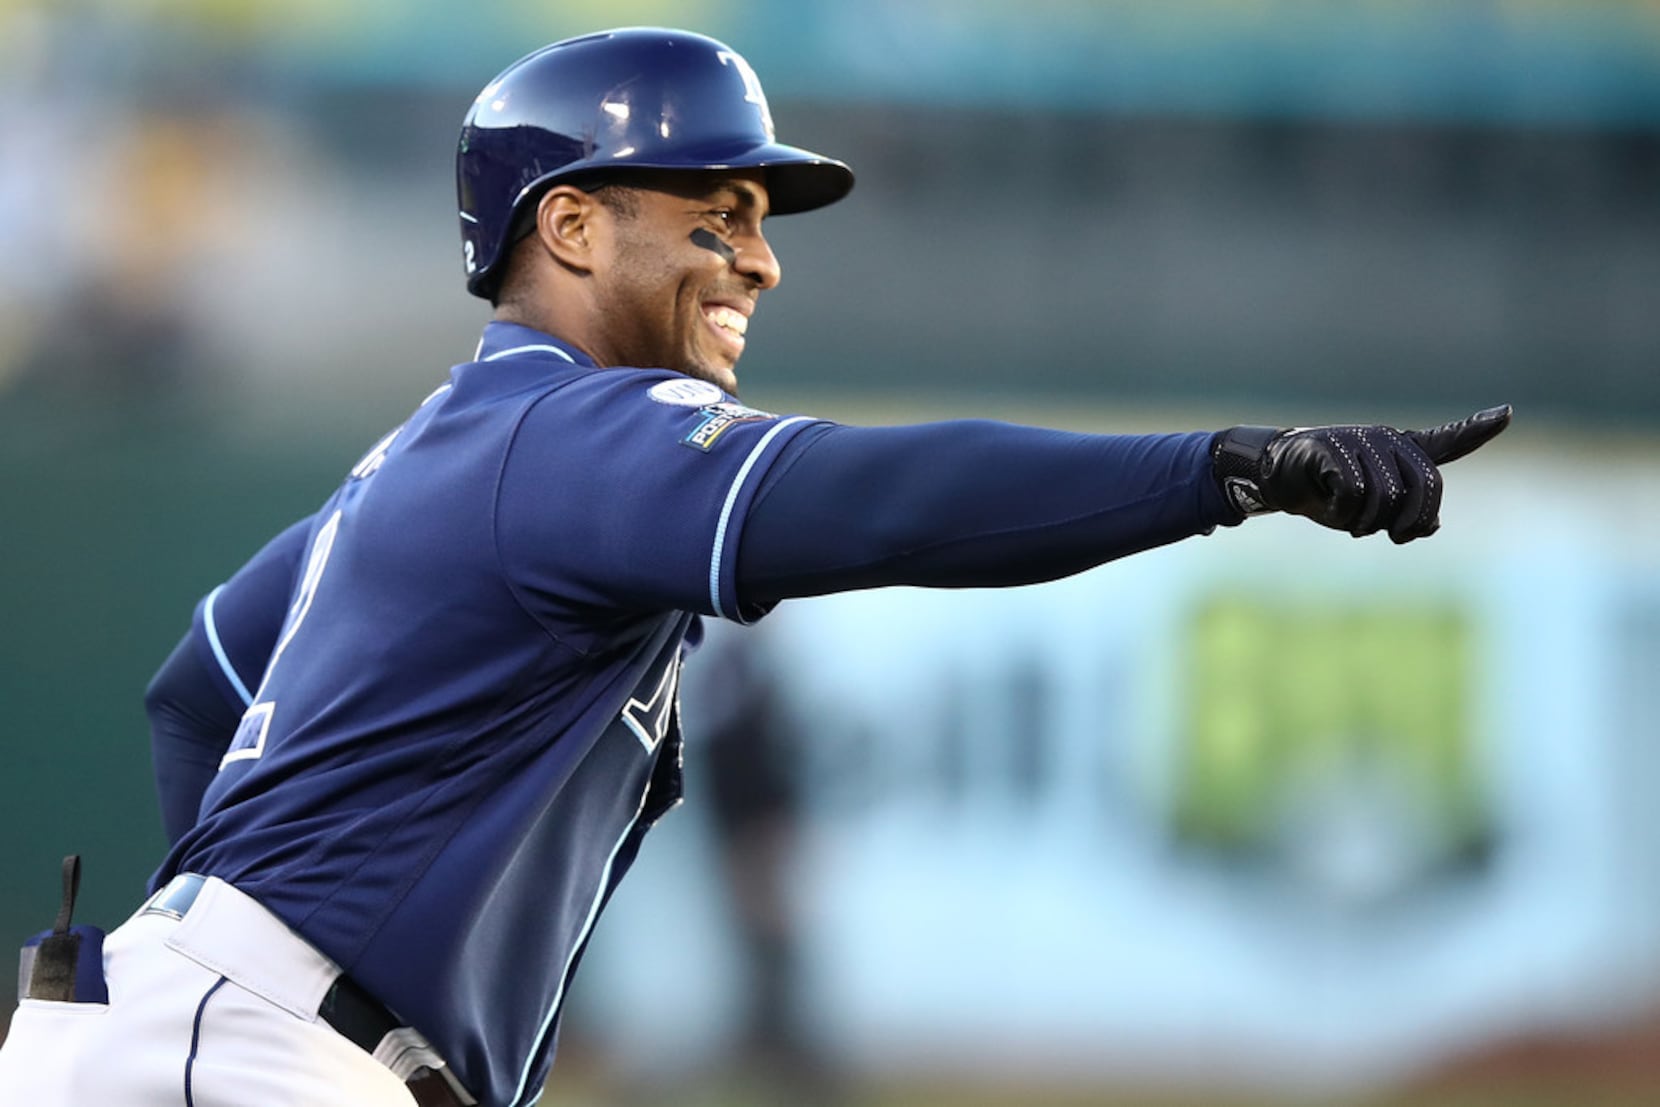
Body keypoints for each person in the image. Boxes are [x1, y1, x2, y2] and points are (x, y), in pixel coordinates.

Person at [0, 26, 1510, 1107]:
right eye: (716, 213)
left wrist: (230, 947)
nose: (762, 257)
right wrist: (1225, 467)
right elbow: (880, 495)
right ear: (572, 225)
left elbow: (196, 687)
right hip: (243, 1053)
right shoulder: (568, 437)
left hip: (210, 1033)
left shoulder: (447, 448)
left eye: (759, 221)